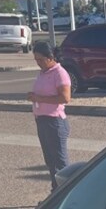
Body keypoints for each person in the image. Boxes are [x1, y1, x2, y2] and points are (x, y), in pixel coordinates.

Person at [29, 41, 71, 188]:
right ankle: (55, 192)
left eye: (40, 59)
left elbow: (65, 98)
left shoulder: (59, 73)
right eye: (36, 60)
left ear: (50, 57)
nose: (38, 63)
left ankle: (66, 194)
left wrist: (39, 98)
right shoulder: (43, 73)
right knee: (50, 161)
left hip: (55, 122)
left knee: (60, 162)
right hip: (42, 120)